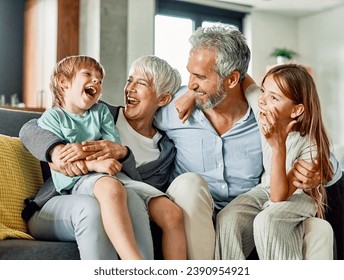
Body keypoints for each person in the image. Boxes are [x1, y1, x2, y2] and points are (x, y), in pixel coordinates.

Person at [155, 24, 342, 259]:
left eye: (200, 76)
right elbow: (131, 120)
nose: (191, 83)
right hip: (202, 212)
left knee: (310, 227)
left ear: (232, 79)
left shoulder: (262, 114)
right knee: (207, 200)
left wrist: (321, 173)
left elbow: (326, 163)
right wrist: (193, 92)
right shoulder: (174, 108)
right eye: (190, 74)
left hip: (264, 205)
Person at [19, 55, 186, 260]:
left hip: (121, 187)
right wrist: (56, 151)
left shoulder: (166, 149)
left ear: (163, 99)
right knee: (109, 195)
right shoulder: (101, 111)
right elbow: (30, 129)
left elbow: (140, 186)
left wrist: (123, 153)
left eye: (140, 83)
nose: (129, 88)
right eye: (129, 80)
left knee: (148, 204)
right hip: (78, 187)